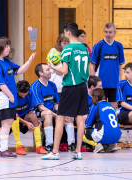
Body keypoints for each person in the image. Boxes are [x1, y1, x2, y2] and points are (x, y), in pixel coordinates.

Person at [42, 22, 90, 160]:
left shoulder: (67, 49)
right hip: (82, 87)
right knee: (80, 119)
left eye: (64, 33)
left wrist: (53, 66)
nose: (64, 35)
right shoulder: (84, 48)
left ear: (68, 33)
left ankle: (55, 152)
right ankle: (78, 152)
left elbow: (64, 71)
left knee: (60, 118)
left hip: (70, 87)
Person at [0, 37, 36, 158]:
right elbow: (0, 83)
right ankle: (3, 149)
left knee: (7, 123)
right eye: (7, 46)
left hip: (8, 97)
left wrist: (29, 61)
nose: (9, 48)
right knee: (7, 123)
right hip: (2, 96)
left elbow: (19, 70)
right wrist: (10, 96)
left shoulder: (6, 61)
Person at [90, 23, 125, 109]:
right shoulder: (98, 46)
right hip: (101, 83)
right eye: (106, 32)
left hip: (114, 83)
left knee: (113, 107)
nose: (108, 34)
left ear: (114, 33)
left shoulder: (119, 46)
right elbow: (92, 65)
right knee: (101, 107)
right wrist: (93, 82)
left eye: (110, 32)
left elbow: (120, 66)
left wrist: (120, 81)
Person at [11, 80, 47, 155]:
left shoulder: (30, 94)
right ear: (17, 91)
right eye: (21, 95)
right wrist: (26, 123)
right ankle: (19, 146)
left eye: (25, 95)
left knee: (34, 116)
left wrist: (36, 121)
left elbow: (31, 111)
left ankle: (39, 146)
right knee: (15, 117)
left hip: (24, 119)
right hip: (13, 120)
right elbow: (14, 114)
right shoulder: (13, 95)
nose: (23, 97)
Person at [30, 63, 59, 152]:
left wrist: (61, 115)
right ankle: (49, 144)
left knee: (68, 116)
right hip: (40, 114)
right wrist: (57, 116)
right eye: (48, 70)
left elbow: (56, 104)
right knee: (48, 114)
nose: (50, 72)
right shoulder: (35, 86)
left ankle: (71, 144)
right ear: (41, 73)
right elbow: (41, 107)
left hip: (53, 113)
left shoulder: (53, 85)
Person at [83, 88, 122, 153]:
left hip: (103, 135)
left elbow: (88, 124)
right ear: (104, 96)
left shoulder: (95, 106)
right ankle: (112, 145)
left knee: (82, 132)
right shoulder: (110, 105)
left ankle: (97, 145)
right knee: (103, 128)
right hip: (117, 136)